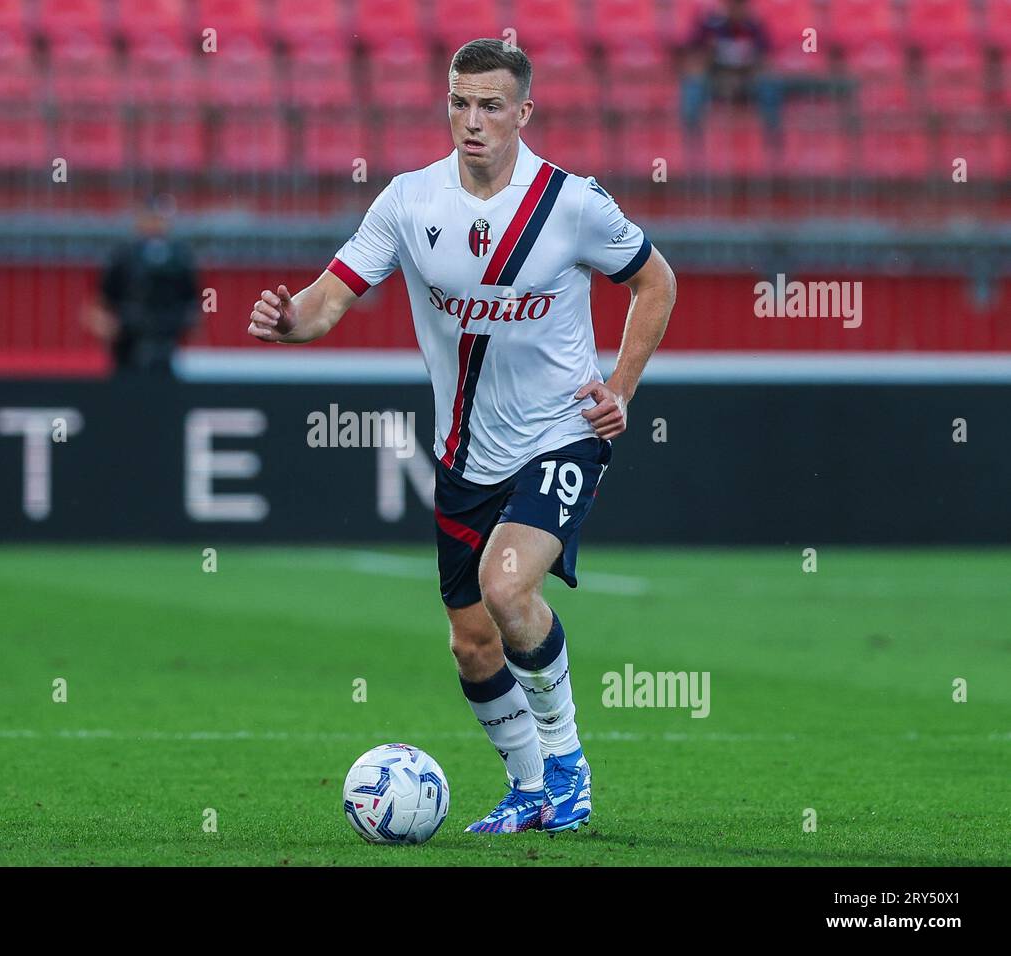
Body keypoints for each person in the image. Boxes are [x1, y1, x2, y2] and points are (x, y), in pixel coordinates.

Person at [248, 39, 676, 833]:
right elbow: (327, 300)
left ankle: (568, 768)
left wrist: (620, 386)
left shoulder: (571, 203)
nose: (471, 121)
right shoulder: (409, 202)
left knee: (508, 588)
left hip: (561, 435)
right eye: (458, 102)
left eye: (489, 106)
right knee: (473, 645)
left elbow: (656, 281)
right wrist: (286, 319)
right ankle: (528, 788)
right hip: (465, 455)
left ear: (523, 112)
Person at [83, 195, 200, 378]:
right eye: (150, 218)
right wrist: (109, 326)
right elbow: (102, 301)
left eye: (159, 218)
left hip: (165, 343)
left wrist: (184, 322)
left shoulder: (180, 258)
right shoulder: (123, 256)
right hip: (128, 344)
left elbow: (193, 300)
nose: (155, 224)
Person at [680, 0, 783, 139]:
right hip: (716, 78)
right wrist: (707, 56)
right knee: (693, 84)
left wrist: (753, 63)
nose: (736, 9)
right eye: (732, 5)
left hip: (746, 78)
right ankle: (691, 137)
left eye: (740, 5)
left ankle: (773, 137)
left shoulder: (755, 26)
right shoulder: (709, 25)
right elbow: (693, 56)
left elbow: (766, 59)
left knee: (769, 85)